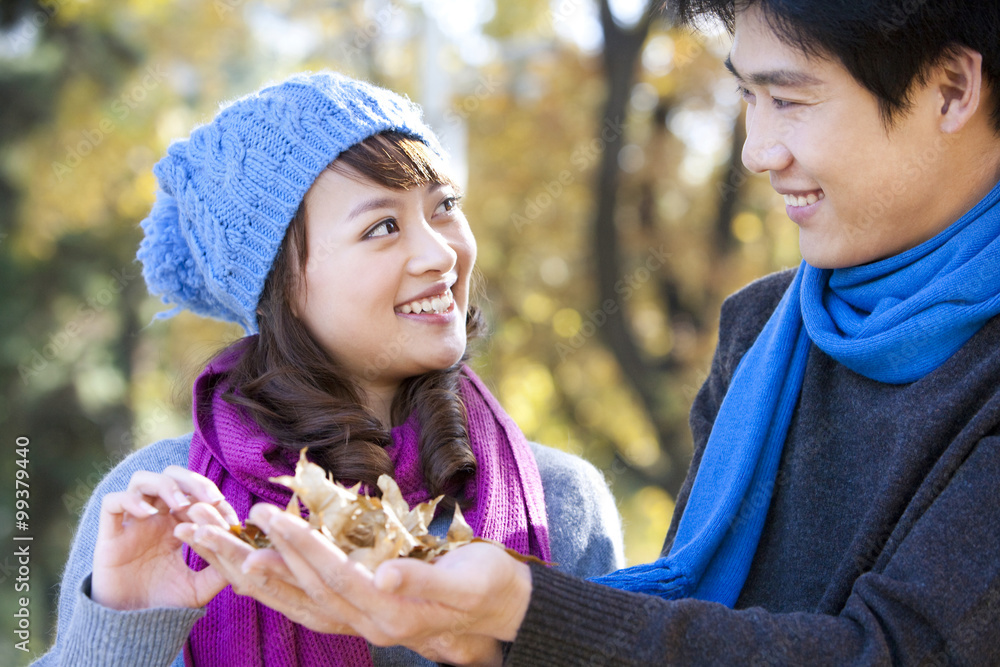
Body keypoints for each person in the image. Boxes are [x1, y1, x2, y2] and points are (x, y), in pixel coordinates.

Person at [178, 0, 1000, 664]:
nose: (756, 149)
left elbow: (898, 651)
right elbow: (694, 627)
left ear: (953, 91)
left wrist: (523, 611)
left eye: (788, 99)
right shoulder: (762, 333)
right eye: (747, 97)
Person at [33, 71, 625, 667]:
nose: (441, 253)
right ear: (281, 287)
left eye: (444, 207)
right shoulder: (167, 511)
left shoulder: (559, 501)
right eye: (382, 227)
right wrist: (125, 636)